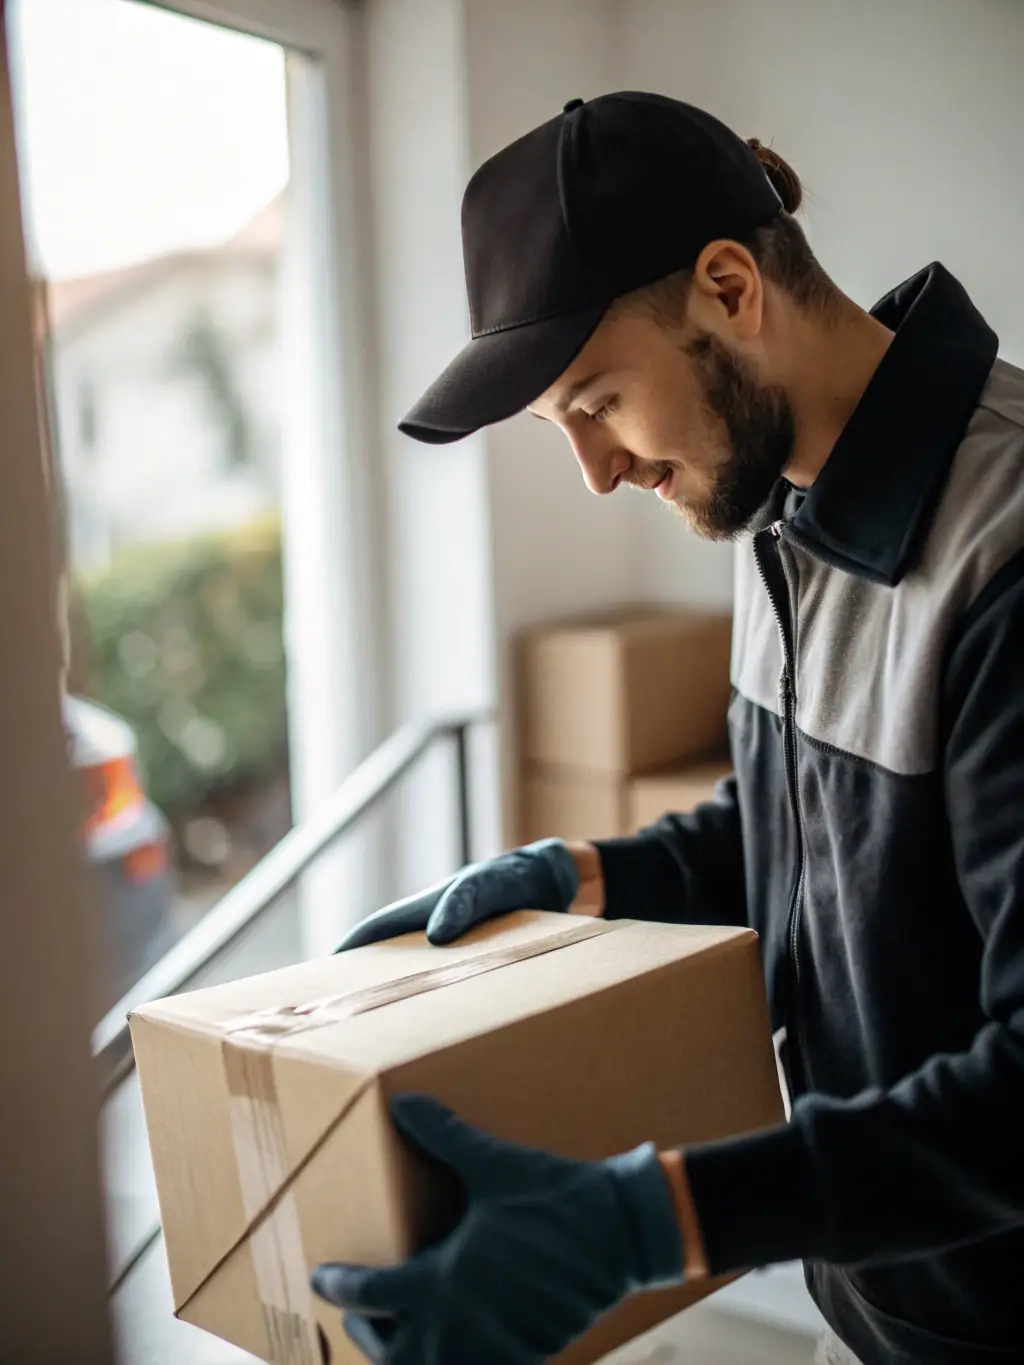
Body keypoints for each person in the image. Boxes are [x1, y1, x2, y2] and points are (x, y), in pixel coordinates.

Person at [311, 92, 1024, 1365]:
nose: (593, 470)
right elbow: (802, 828)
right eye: (557, 430)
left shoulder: (1002, 555)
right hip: (877, 1303)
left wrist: (650, 1222)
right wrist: (585, 877)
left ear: (730, 288)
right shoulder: (777, 505)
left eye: (595, 399)